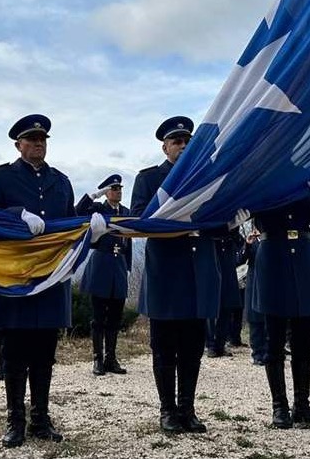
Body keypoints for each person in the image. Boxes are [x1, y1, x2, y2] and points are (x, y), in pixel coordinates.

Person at [0, 114, 75, 447]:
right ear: (18, 144)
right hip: (14, 275)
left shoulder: (61, 181)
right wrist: (16, 214)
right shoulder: (2, 177)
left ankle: (40, 418)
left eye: (42, 139)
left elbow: (69, 224)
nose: (38, 144)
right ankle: (15, 421)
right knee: (15, 352)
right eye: (31, 139)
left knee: (44, 352)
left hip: (50, 276)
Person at [132, 117, 220, 434]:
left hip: (199, 270)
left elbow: (221, 221)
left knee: (193, 346)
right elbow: (141, 220)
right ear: (165, 146)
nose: (183, 147)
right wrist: (180, 219)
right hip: (167, 272)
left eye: (187, 142)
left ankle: (188, 409)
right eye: (176, 142)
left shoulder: (208, 177)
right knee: (165, 346)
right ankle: (167, 411)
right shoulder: (149, 178)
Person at [249, 178, 310, 429]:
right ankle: (279, 407)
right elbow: (256, 216)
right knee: (274, 341)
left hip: (304, 253)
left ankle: (302, 406)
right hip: (273, 252)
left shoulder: (304, 178)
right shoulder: (261, 179)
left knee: (304, 340)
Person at [75, 174, 132, 376]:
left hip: (119, 266)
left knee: (115, 317)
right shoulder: (99, 209)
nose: (117, 192)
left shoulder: (126, 212)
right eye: (113, 188)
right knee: (98, 317)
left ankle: (111, 358)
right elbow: (77, 212)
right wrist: (93, 195)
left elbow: (130, 239)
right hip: (101, 264)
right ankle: (97, 359)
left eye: (119, 188)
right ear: (107, 192)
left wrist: (128, 266)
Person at [207, 227, 244, 358]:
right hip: (213, 252)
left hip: (227, 257)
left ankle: (220, 345)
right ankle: (211, 345)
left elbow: (239, 242)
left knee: (227, 306)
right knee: (211, 307)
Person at [240, 232, 268, 366]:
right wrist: (248, 244)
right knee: (256, 322)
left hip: (269, 284)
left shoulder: (269, 240)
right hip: (254, 282)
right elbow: (240, 259)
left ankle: (269, 352)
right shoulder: (252, 242)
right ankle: (257, 353)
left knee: (269, 321)